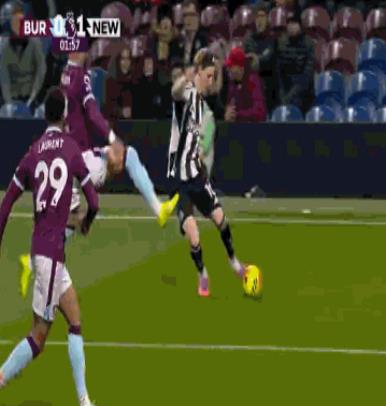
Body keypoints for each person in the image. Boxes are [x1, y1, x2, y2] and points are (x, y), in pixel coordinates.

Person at [18, 50, 179, 298]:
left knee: (69, 223)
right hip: (82, 160)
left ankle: (30, 261)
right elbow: (93, 113)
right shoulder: (80, 77)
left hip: (69, 158)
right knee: (127, 154)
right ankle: (158, 209)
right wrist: (113, 139)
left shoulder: (64, 75)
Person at [0, 87, 108, 406]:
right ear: (63, 115)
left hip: (46, 252)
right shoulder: (71, 148)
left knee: (75, 320)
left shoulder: (32, 152)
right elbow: (94, 201)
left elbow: (6, 203)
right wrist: (87, 223)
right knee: (39, 337)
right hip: (50, 255)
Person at [168, 49, 247, 297]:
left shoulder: (204, 106)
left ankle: (234, 262)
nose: (211, 81)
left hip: (197, 175)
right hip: (179, 181)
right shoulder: (187, 93)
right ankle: (202, 274)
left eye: (214, 76)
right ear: (199, 72)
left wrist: (201, 153)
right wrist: (188, 75)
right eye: (209, 75)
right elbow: (175, 91)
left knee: (221, 218)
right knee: (193, 234)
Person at [224, 47, 267, 122]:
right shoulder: (232, 83)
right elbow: (230, 106)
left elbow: (260, 112)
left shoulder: (253, 80)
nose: (228, 69)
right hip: (237, 126)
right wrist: (228, 114)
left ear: (241, 68)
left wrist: (238, 114)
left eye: (231, 66)